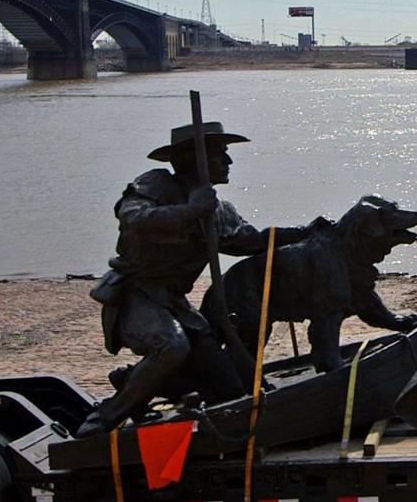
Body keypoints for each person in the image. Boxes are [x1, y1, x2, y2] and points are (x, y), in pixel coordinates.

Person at [76, 122, 322, 437]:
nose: (229, 162)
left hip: (176, 306)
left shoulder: (218, 210)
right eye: (220, 154)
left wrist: (306, 232)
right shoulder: (156, 185)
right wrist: (190, 211)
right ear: (196, 160)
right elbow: (133, 219)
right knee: (171, 345)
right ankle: (107, 415)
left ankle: (136, 380)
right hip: (135, 297)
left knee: (228, 390)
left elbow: (254, 240)